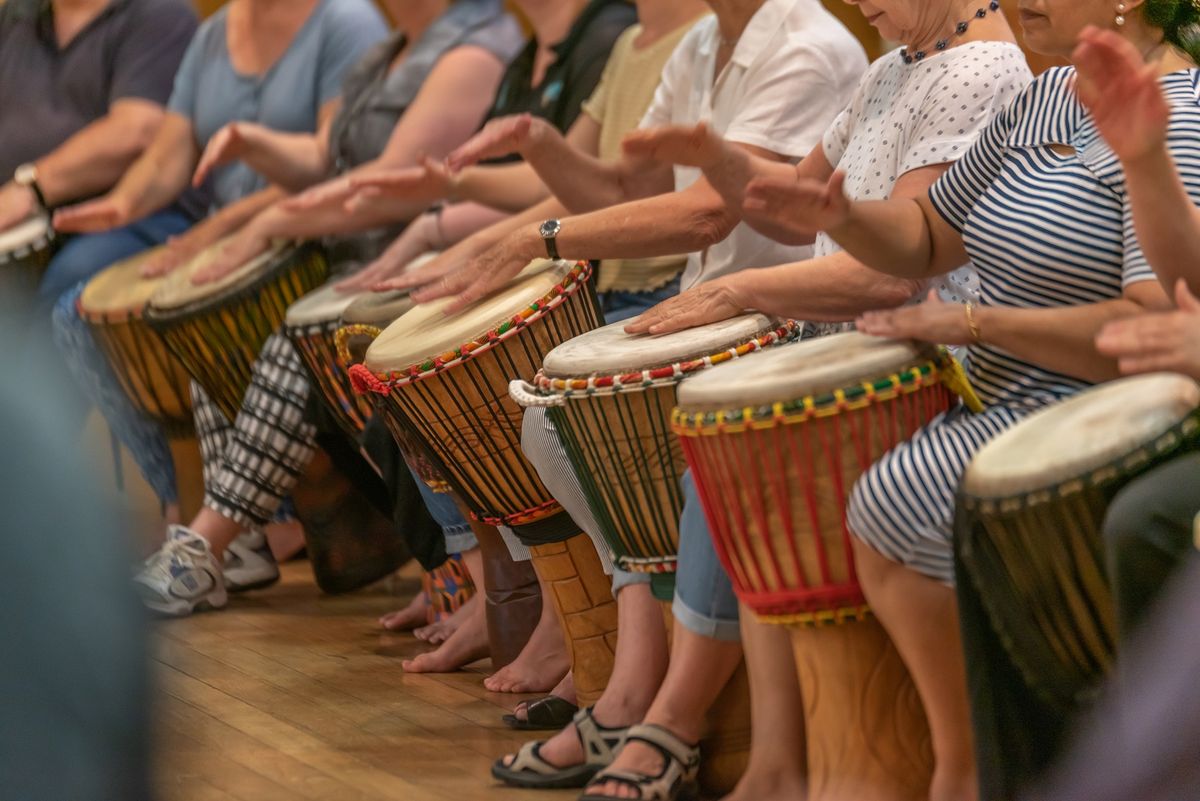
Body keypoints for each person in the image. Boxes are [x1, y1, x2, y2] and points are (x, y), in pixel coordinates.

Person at [373, 0, 866, 793]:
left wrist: (537, 237)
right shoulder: (704, 41)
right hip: (704, 306)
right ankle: (628, 678)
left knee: (596, 432)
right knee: (557, 425)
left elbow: (710, 211)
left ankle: (648, 699)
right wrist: (542, 148)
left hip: (774, 316)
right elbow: (615, 185)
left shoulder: (807, 45)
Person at [737, 2, 1200, 799]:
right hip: (1000, 384)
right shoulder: (1042, 92)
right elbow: (924, 234)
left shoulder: (1179, 114)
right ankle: (953, 766)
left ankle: (974, 770)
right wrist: (845, 217)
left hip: (1097, 404)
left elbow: (1151, 324)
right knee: (856, 489)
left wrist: (982, 321)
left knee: (897, 496)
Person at [47, 0, 388, 608]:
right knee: (89, 314)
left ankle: (219, 536)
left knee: (210, 316)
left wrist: (218, 233)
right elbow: (170, 154)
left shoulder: (347, 22)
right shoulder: (213, 36)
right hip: (230, 250)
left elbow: (339, 161)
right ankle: (234, 532)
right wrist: (123, 206)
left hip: (311, 245)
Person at [0, 0, 197, 319]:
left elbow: (137, 129)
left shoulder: (160, 13)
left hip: (136, 217)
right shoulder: (16, 17)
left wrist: (30, 188)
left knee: (70, 280)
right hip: (29, 223)